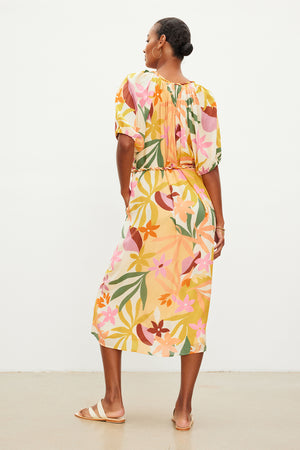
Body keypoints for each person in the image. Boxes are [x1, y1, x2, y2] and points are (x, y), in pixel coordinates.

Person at [75, 17, 225, 431]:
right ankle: (182, 412)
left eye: (147, 40)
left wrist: (126, 190)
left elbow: (126, 142)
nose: (143, 48)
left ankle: (113, 403)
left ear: (162, 43)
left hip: (153, 205)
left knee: (111, 300)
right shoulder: (205, 97)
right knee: (192, 309)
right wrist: (221, 222)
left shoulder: (136, 85)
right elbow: (209, 166)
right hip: (196, 210)